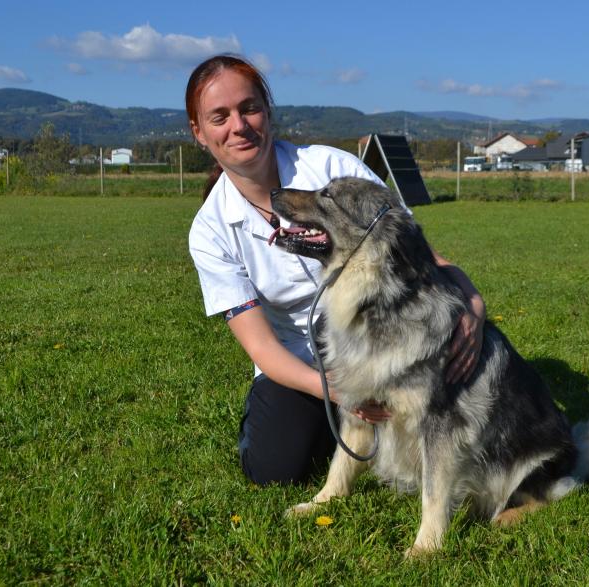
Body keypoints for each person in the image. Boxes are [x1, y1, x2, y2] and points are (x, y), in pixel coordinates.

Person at [186, 54, 486, 485]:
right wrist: (341, 393)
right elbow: (262, 348)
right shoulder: (210, 230)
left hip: (379, 340)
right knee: (274, 469)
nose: (239, 125)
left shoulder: (332, 168)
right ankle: (343, 426)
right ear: (199, 132)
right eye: (220, 117)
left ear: (267, 111)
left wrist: (473, 302)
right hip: (299, 359)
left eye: (249, 108)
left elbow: (421, 256)